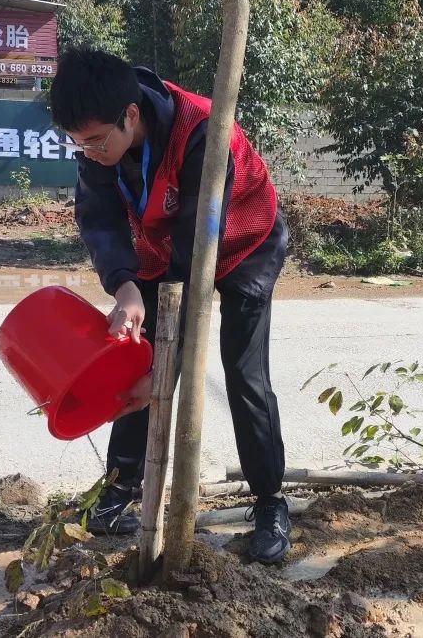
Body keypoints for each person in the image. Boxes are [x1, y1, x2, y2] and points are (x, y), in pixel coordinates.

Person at [48, 46, 291, 564]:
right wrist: (125, 288)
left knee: (244, 374)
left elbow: (196, 248)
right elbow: (100, 220)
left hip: (243, 243)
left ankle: (270, 502)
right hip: (164, 251)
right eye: (77, 143)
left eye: (96, 141)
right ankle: (119, 488)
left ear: (131, 115)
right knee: (135, 360)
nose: (88, 152)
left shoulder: (202, 131)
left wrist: (167, 365)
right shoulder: (97, 146)